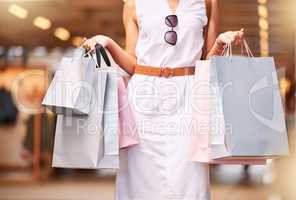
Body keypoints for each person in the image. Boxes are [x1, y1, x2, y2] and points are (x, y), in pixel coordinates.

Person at [83, 0, 244, 199]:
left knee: (189, 179)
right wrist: (107, 41)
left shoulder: (208, 2)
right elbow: (132, 63)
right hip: (143, 101)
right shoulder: (133, 4)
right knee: (138, 180)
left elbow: (206, 64)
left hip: (188, 99)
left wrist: (219, 44)